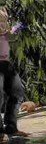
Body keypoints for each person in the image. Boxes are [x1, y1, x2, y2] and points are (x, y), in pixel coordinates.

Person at [0, 7, 25, 136]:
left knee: (17, 92)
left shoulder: (5, 34)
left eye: (4, 21)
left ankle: (11, 125)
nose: (2, 24)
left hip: (6, 64)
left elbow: (12, 35)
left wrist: (18, 25)